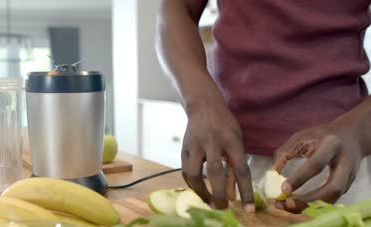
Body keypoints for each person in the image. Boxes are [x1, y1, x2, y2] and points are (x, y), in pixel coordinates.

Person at [156, 0, 371, 213]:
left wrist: (357, 133)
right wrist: (201, 103)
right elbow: (177, 7)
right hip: (222, 153)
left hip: (335, 166)